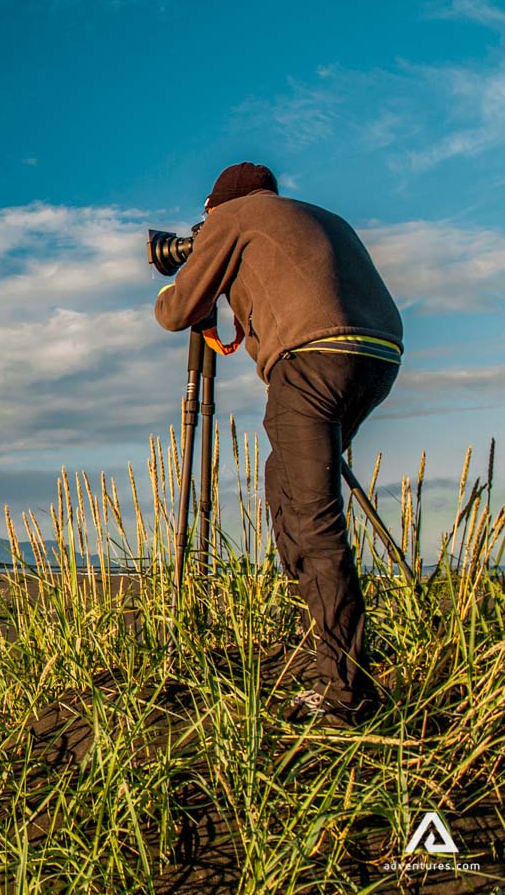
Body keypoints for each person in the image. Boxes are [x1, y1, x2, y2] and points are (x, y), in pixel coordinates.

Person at [153, 162, 403, 726]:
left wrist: (181, 277)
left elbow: (177, 311)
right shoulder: (317, 217)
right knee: (285, 490)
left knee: (313, 520)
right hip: (378, 359)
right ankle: (330, 628)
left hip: (311, 364)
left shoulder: (233, 217)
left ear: (216, 206)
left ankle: (345, 691)